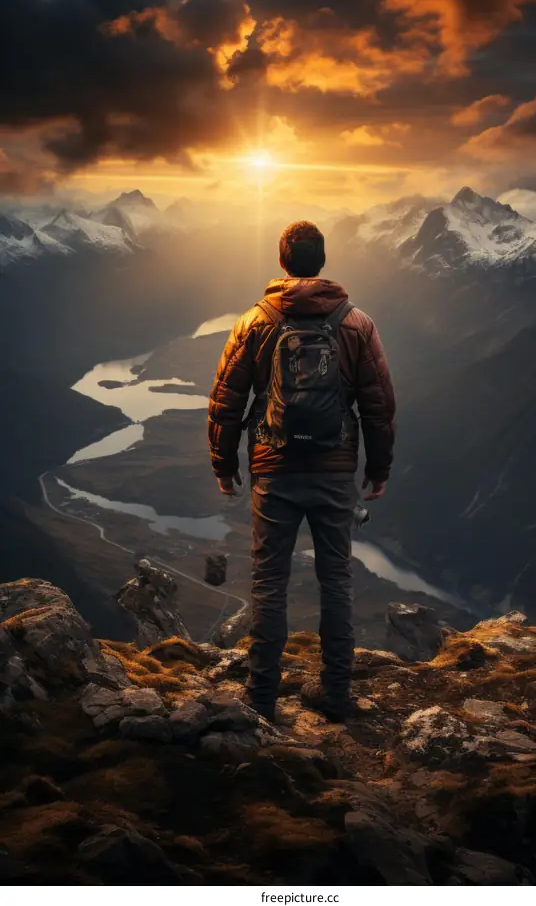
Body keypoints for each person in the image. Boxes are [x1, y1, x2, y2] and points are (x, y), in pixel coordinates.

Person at [208, 220, 395, 722]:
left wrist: (224, 464)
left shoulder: (255, 321)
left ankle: (261, 698)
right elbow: (378, 405)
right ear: (323, 260)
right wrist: (378, 469)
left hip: (274, 467)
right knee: (336, 580)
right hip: (335, 470)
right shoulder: (357, 324)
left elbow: (226, 399)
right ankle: (336, 694)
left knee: (270, 582)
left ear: (282, 260)